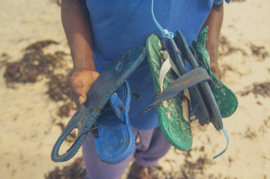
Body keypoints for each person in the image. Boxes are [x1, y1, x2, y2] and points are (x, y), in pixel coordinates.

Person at [61, 0, 229, 178]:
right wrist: (84, 65)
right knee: (104, 171)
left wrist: (211, 60)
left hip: (176, 94)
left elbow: (216, 4)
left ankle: (141, 167)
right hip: (105, 97)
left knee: (157, 149)